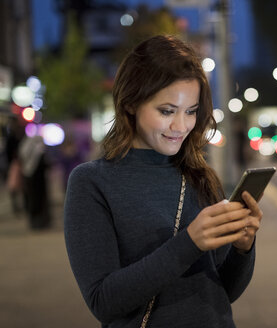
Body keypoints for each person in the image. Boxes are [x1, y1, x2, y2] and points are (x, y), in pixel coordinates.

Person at [64, 34, 263, 328]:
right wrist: (190, 242)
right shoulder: (92, 182)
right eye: (167, 111)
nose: (180, 126)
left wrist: (244, 248)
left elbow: (224, 293)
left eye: (191, 112)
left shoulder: (200, 175)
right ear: (131, 103)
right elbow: (103, 302)